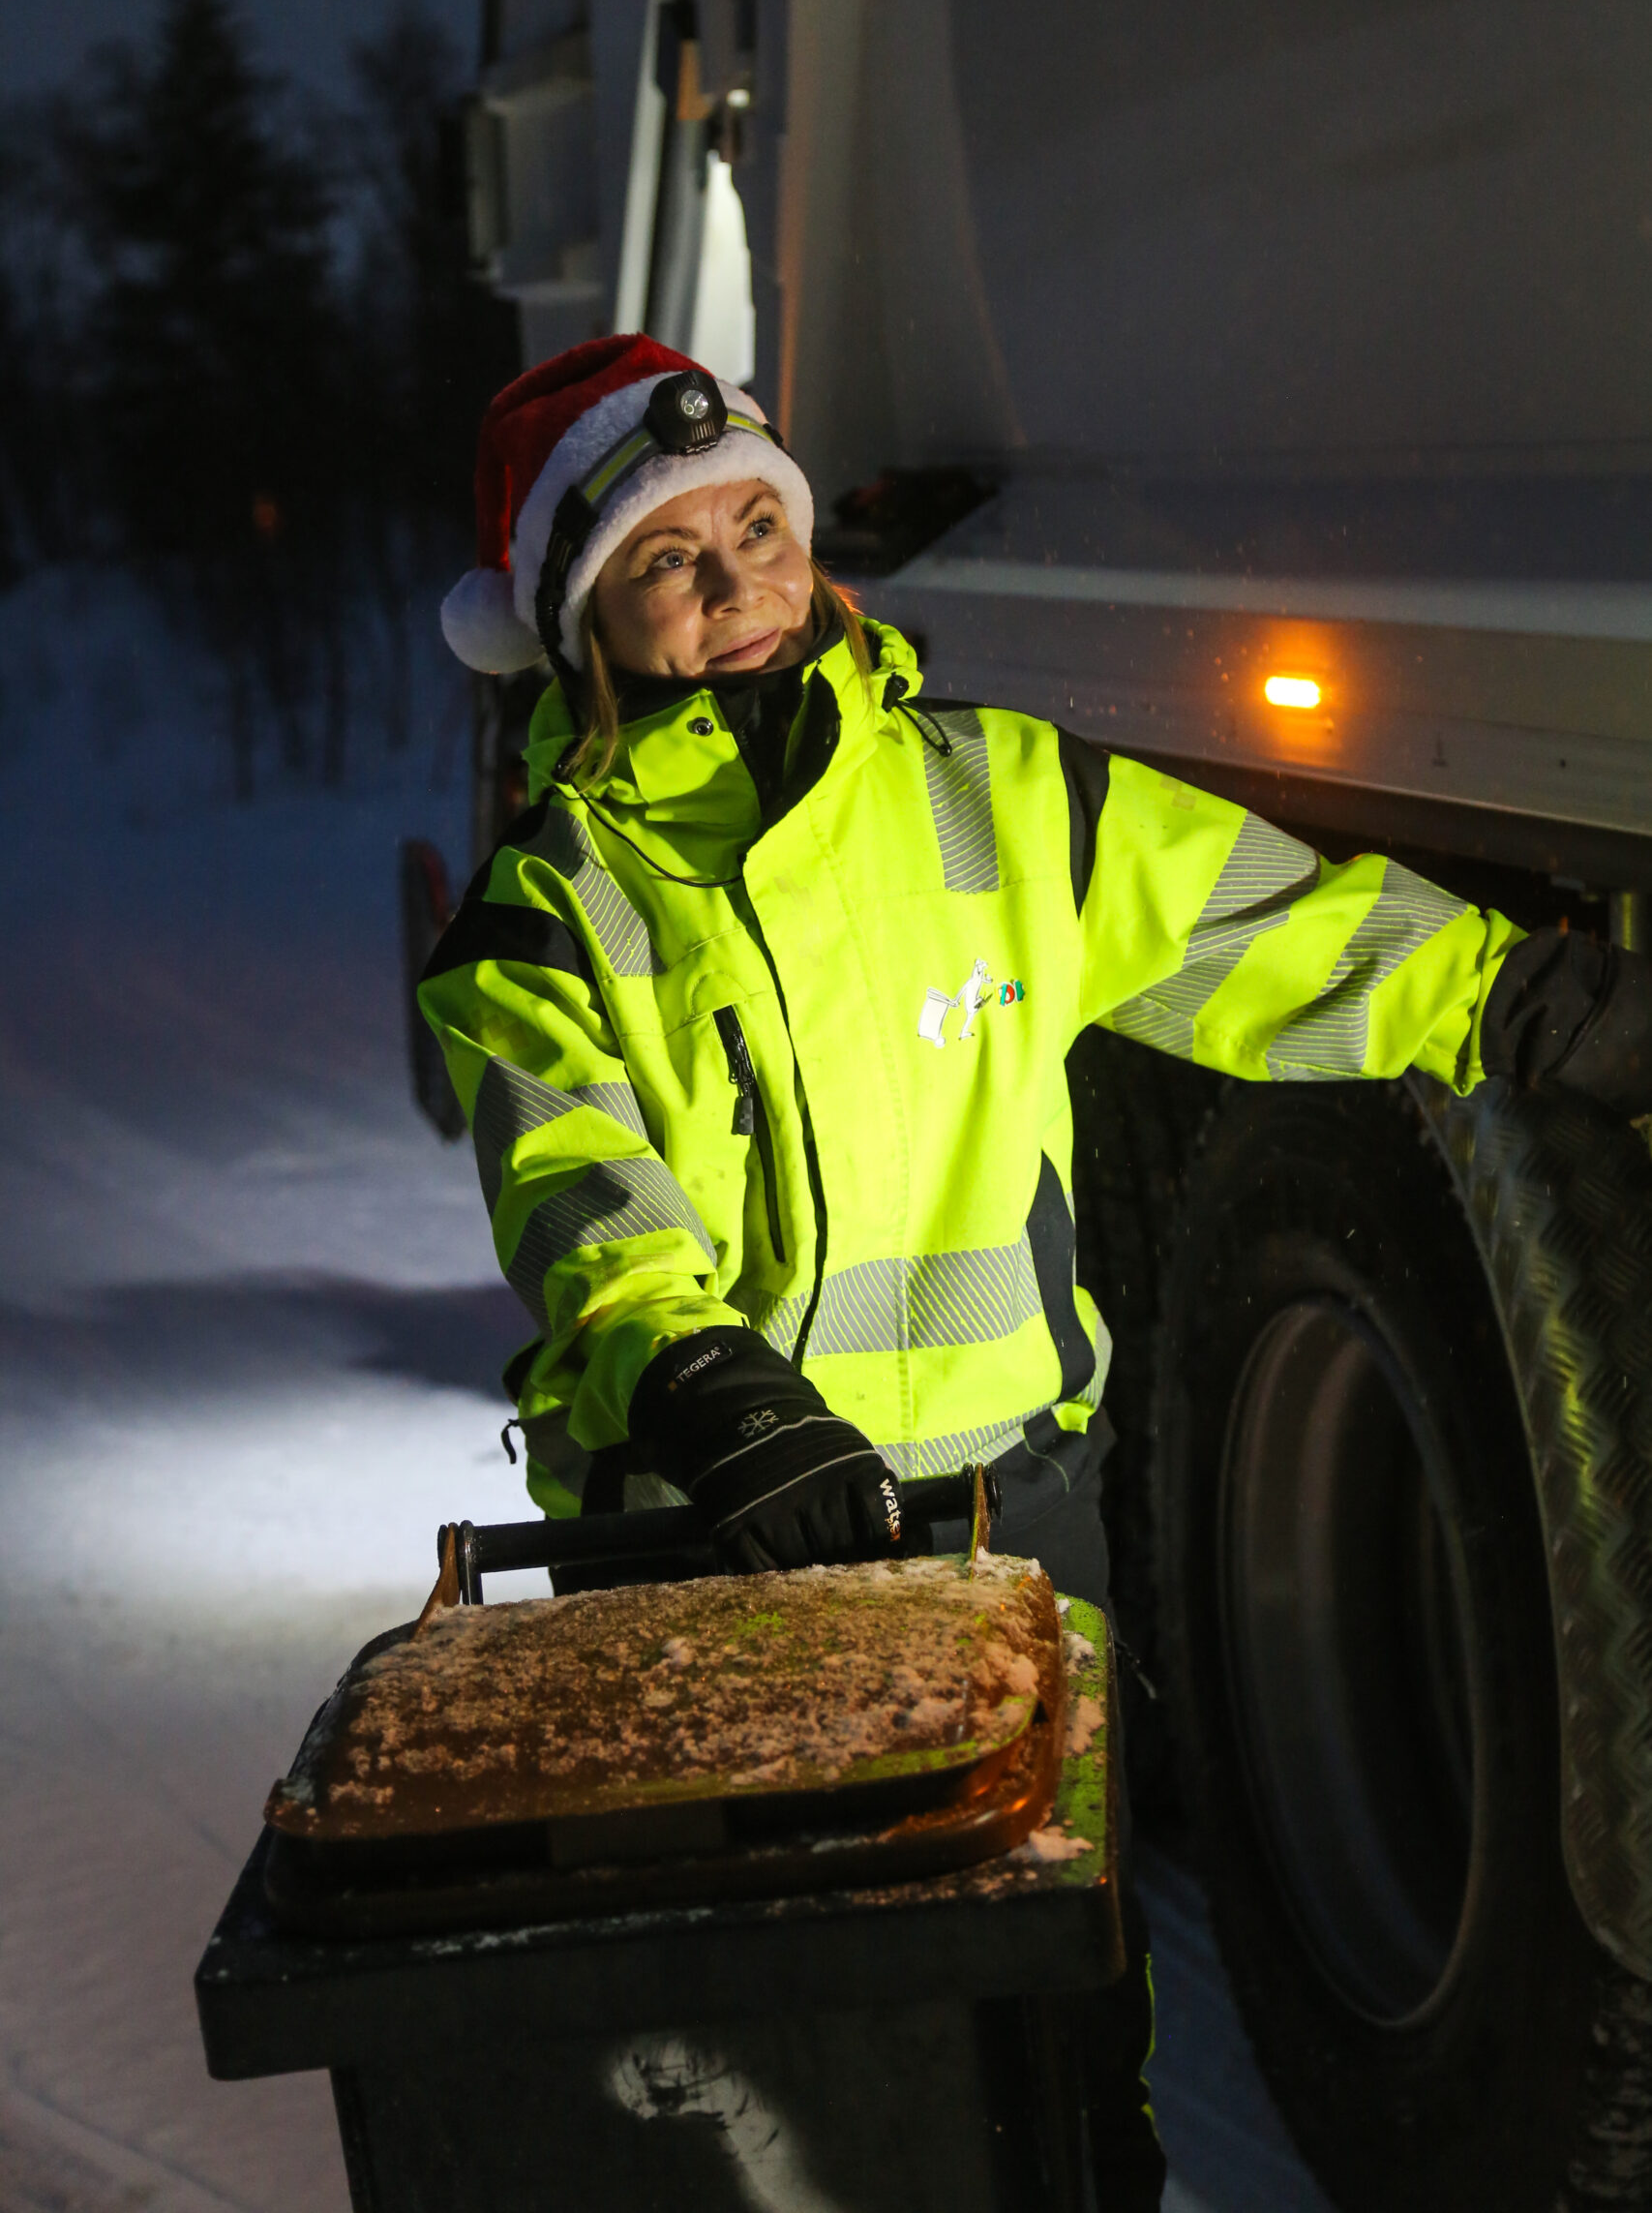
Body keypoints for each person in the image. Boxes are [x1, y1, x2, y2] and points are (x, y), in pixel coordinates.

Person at [420, 332, 1652, 2204]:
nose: (736, 583)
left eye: (758, 528)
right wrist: (722, 1400)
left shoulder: (998, 796)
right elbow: (584, 1210)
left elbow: (1274, 931)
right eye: (667, 558)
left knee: (1060, 2012)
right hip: (721, 1548)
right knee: (795, 2069)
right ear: (578, 621)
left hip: (1010, 1523)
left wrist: (1516, 997)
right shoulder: (549, 918)